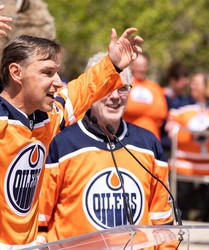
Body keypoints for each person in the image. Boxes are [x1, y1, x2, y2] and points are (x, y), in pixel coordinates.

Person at [0, 5, 143, 249]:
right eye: (47, 72)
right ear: (16, 72)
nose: (58, 82)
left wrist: (112, 64)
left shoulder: (46, 117)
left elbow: (81, 91)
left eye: (57, 72)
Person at [38, 52, 176, 249]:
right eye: (108, 88)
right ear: (92, 90)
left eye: (122, 89)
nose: (114, 97)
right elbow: (40, 221)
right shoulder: (62, 144)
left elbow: (162, 222)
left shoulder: (149, 144)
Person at [165, 71, 209, 222]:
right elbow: (170, 128)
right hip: (183, 167)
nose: (192, 86)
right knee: (182, 209)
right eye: (192, 82)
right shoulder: (181, 104)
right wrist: (190, 135)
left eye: (196, 83)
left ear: (207, 86)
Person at [123, 53, 168, 140]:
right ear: (132, 66)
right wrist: (150, 108)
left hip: (152, 138)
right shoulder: (125, 85)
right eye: (138, 65)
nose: (141, 69)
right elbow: (127, 108)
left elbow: (161, 112)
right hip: (128, 137)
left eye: (144, 66)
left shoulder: (155, 87)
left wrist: (136, 109)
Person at [160, 62, 191, 158]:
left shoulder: (185, 100)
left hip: (178, 148)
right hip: (163, 145)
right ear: (172, 80)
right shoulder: (161, 96)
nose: (184, 86)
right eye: (182, 83)